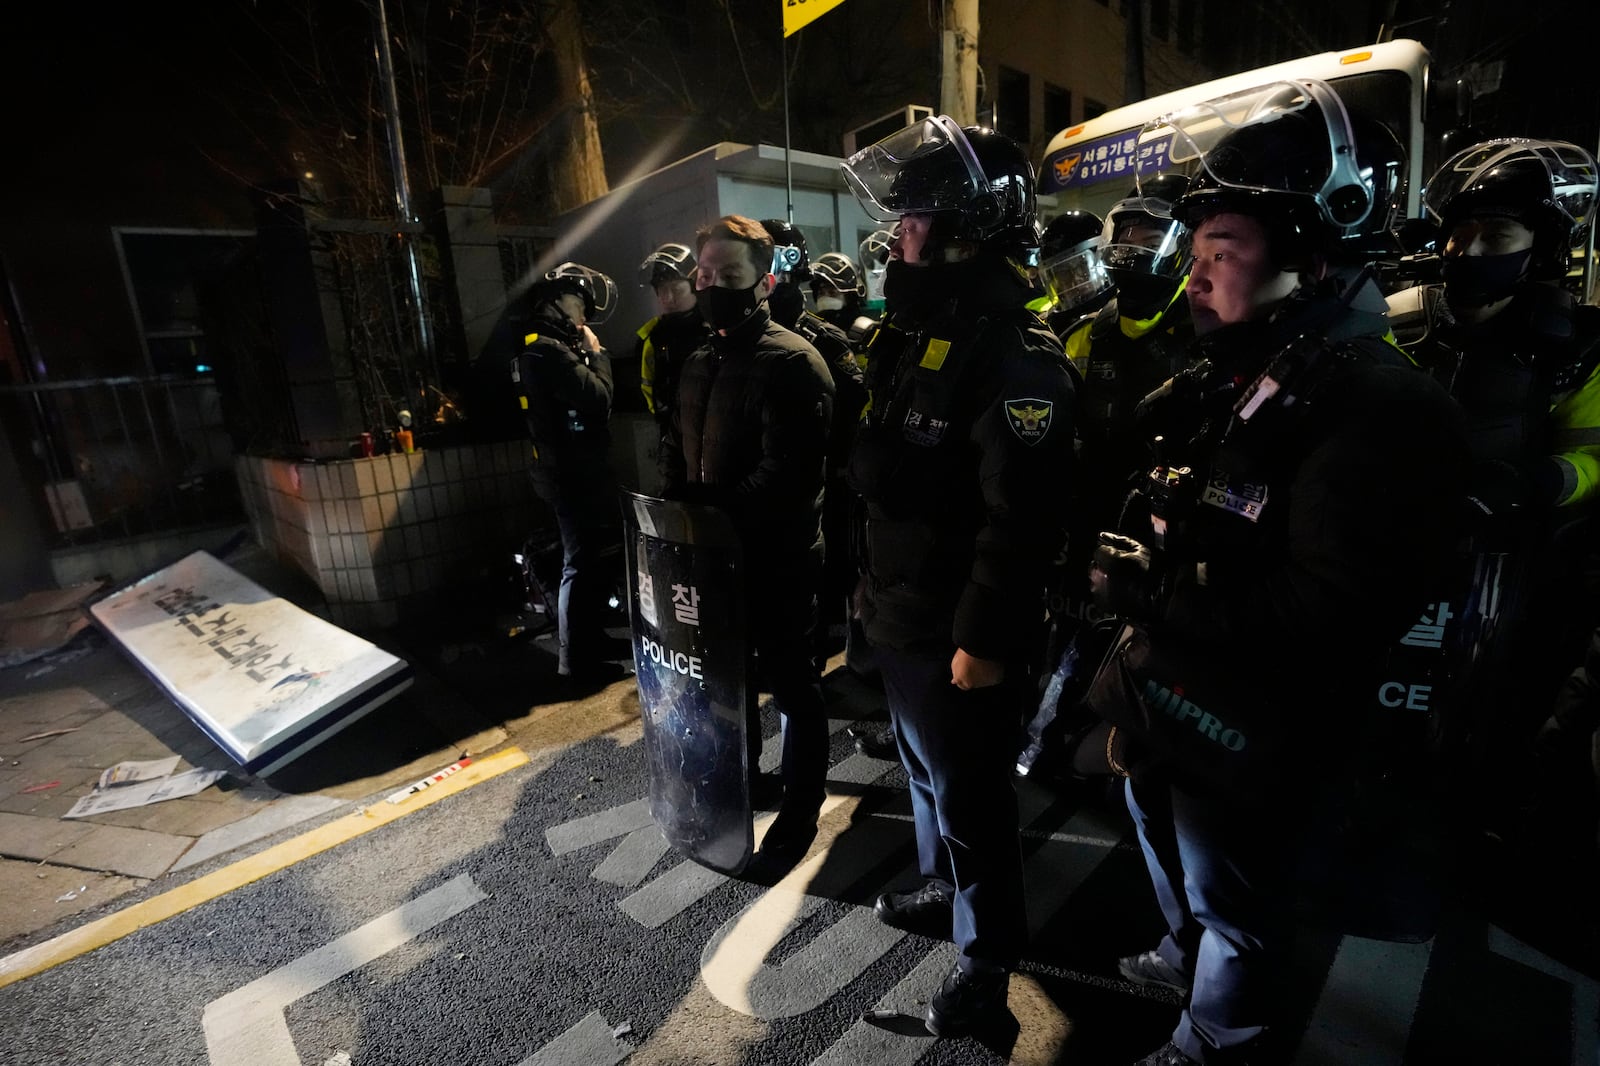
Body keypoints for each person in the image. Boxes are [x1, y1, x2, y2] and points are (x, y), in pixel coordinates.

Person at [1082, 80, 1469, 1066]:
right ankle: (1186, 954)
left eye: (1225, 254)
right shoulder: (1246, 372)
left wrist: (1155, 592)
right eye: (1196, 253)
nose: (1196, 279)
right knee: (1185, 874)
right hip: (1176, 696)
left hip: (1253, 729)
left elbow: (1327, 610)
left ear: (1313, 256)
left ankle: (1217, 1036)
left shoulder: (1380, 407)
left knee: (1239, 905)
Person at [841, 116, 1077, 1036]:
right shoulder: (918, 330)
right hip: (903, 612)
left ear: (962, 232)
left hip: (954, 631)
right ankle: (942, 890)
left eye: (912, 223)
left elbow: (1022, 525)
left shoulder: (1015, 355)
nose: (896, 240)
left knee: (974, 804)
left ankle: (985, 971)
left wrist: (983, 641)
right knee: (928, 778)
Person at [1391, 138, 1600, 836]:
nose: (1471, 250)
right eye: (1463, 232)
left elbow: (1591, 461)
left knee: (1485, 712)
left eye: (1497, 235)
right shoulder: (1400, 321)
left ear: (1540, 246)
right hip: (1397, 547)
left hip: (1506, 567)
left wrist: (1535, 483)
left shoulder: (1576, 348)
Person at [659, 214, 836, 878]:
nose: (710, 287)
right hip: (712, 560)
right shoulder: (699, 359)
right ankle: (742, 784)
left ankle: (800, 812)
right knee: (724, 682)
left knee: (793, 686)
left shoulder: (794, 363)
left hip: (778, 558)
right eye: (704, 274)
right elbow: (677, 448)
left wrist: (713, 516)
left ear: (762, 282)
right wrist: (677, 516)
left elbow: (785, 475)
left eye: (727, 277)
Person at [1017, 179, 1195, 782]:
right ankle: (1048, 745)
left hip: (1172, 543)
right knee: (1069, 646)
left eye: (1150, 239)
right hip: (1089, 526)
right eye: (1124, 237)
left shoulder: (1207, 336)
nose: (1131, 251)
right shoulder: (1085, 333)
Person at [758, 219, 871, 673]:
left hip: (818, 489)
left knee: (823, 581)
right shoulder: (732, 342)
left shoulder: (824, 339)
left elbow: (857, 406)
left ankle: (816, 659)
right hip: (761, 491)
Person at [511, 262, 631, 681]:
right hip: (570, 473)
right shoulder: (546, 349)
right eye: (579, 305)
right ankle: (576, 659)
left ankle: (590, 638)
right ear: (558, 301)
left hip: (570, 469)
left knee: (591, 557)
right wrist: (598, 354)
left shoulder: (543, 346)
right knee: (580, 562)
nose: (583, 318)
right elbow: (598, 398)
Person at [634, 242, 710, 446]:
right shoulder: (653, 336)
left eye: (675, 289)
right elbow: (649, 390)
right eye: (661, 290)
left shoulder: (715, 329)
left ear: (694, 285)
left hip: (713, 435)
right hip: (671, 435)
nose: (667, 297)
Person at [1029, 209, 1114, 339]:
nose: (1074, 279)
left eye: (1082, 266)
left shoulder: (1123, 313)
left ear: (1103, 259)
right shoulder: (1048, 326)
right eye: (1063, 272)